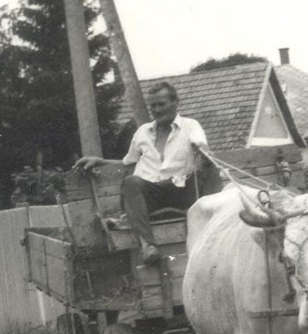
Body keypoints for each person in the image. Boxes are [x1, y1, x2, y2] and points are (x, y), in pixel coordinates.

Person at [75, 81, 208, 265]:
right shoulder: (142, 133)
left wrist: (200, 150)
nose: (157, 110)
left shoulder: (191, 126)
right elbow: (126, 166)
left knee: (205, 173)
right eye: (152, 106)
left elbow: (202, 147)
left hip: (181, 191)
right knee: (131, 182)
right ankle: (148, 246)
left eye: (161, 104)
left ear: (175, 102)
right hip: (151, 194)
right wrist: (102, 162)